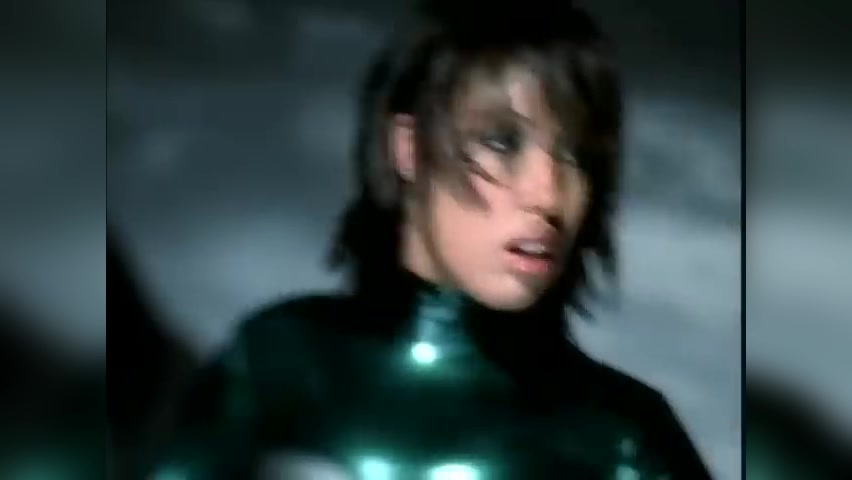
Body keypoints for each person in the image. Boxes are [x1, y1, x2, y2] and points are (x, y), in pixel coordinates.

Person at [145, 0, 713, 478]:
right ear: (408, 149)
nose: (549, 194)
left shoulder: (623, 436)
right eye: (501, 141)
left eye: (577, 154)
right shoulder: (277, 362)